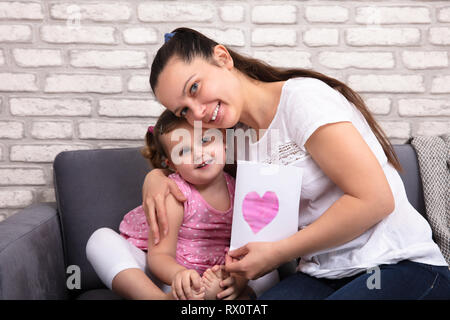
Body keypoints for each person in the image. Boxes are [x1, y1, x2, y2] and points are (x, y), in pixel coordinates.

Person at [139, 27, 450, 299]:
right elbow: (199, 177)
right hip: (322, 274)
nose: (197, 114)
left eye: (195, 88)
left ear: (222, 57)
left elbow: (376, 200)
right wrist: (155, 178)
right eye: (183, 111)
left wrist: (277, 254)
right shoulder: (238, 141)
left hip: (396, 263)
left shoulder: (302, 100)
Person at [86, 109, 278, 300]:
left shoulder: (241, 188)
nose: (198, 154)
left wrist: (235, 280)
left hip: (219, 273)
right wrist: (179, 276)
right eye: (184, 151)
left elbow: (248, 246)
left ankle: (233, 295)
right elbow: (160, 257)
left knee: (269, 269)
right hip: (171, 277)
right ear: (172, 164)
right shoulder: (176, 194)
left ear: (224, 142)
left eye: (205, 141)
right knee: (100, 240)